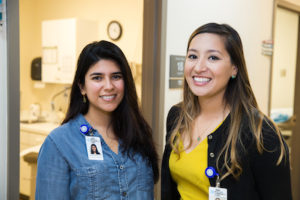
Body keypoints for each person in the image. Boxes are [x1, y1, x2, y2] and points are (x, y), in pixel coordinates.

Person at [161, 23, 292, 200]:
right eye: (192, 56)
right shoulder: (177, 116)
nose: (198, 67)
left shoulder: (261, 134)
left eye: (213, 58)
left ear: (234, 68)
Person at [36, 40, 159, 199]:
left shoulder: (138, 133)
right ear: (82, 87)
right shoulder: (59, 143)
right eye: (97, 78)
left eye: (116, 76)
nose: (108, 86)